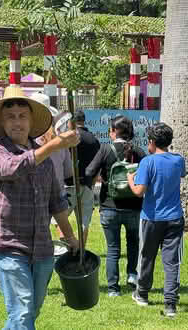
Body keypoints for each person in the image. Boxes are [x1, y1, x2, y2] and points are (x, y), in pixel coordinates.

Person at [0, 86, 80, 329]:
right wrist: (53, 146)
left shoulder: (44, 159)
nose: (17, 122)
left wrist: (70, 237)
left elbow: (56, 202)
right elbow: (11, 168)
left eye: (22, 116)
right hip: (7, 243)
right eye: (10, 117)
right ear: (2, 124)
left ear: (32, 120)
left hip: (42, 248)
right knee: (22, 309)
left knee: (28, 311)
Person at [127, 123, 185, 317]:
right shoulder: (179, 160)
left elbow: (138, 191)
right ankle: (170, 305)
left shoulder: (147, 162)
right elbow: (181, 173)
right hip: (175, 218)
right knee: (172, 262)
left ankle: (142, 294)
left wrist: (130, 179)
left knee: (146, 257)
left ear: (151, 142)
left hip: (151, 218)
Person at [86, 115, 146, 297]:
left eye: (110, 130)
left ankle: (113, 288)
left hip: (109, 205)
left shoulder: (105, 149)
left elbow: (89, 171)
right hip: (134, 206)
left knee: (113, 249)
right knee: (133, 243)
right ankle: (132, 275)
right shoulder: (139, 151)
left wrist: (101, 179)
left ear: (114, 131)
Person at [64, 110, 100, 247]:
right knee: (84, 222)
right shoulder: (93, 139)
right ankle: (81, 251)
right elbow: (98, 165)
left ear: (70, 122)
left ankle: (69, 248)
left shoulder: (68, 138)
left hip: (67, 184)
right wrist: (92, 182)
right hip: (87, 185)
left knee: (59, 220)